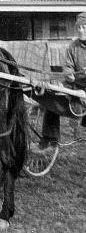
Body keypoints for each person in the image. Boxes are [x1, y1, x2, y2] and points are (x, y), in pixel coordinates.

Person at [37, 12, 86, 151]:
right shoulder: (73, 46)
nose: (81, 30)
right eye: (78, 28)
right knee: (52, 102)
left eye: (84, 27)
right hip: (75, 86)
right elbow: (68, 66)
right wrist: (69, 74)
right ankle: (49, 138)